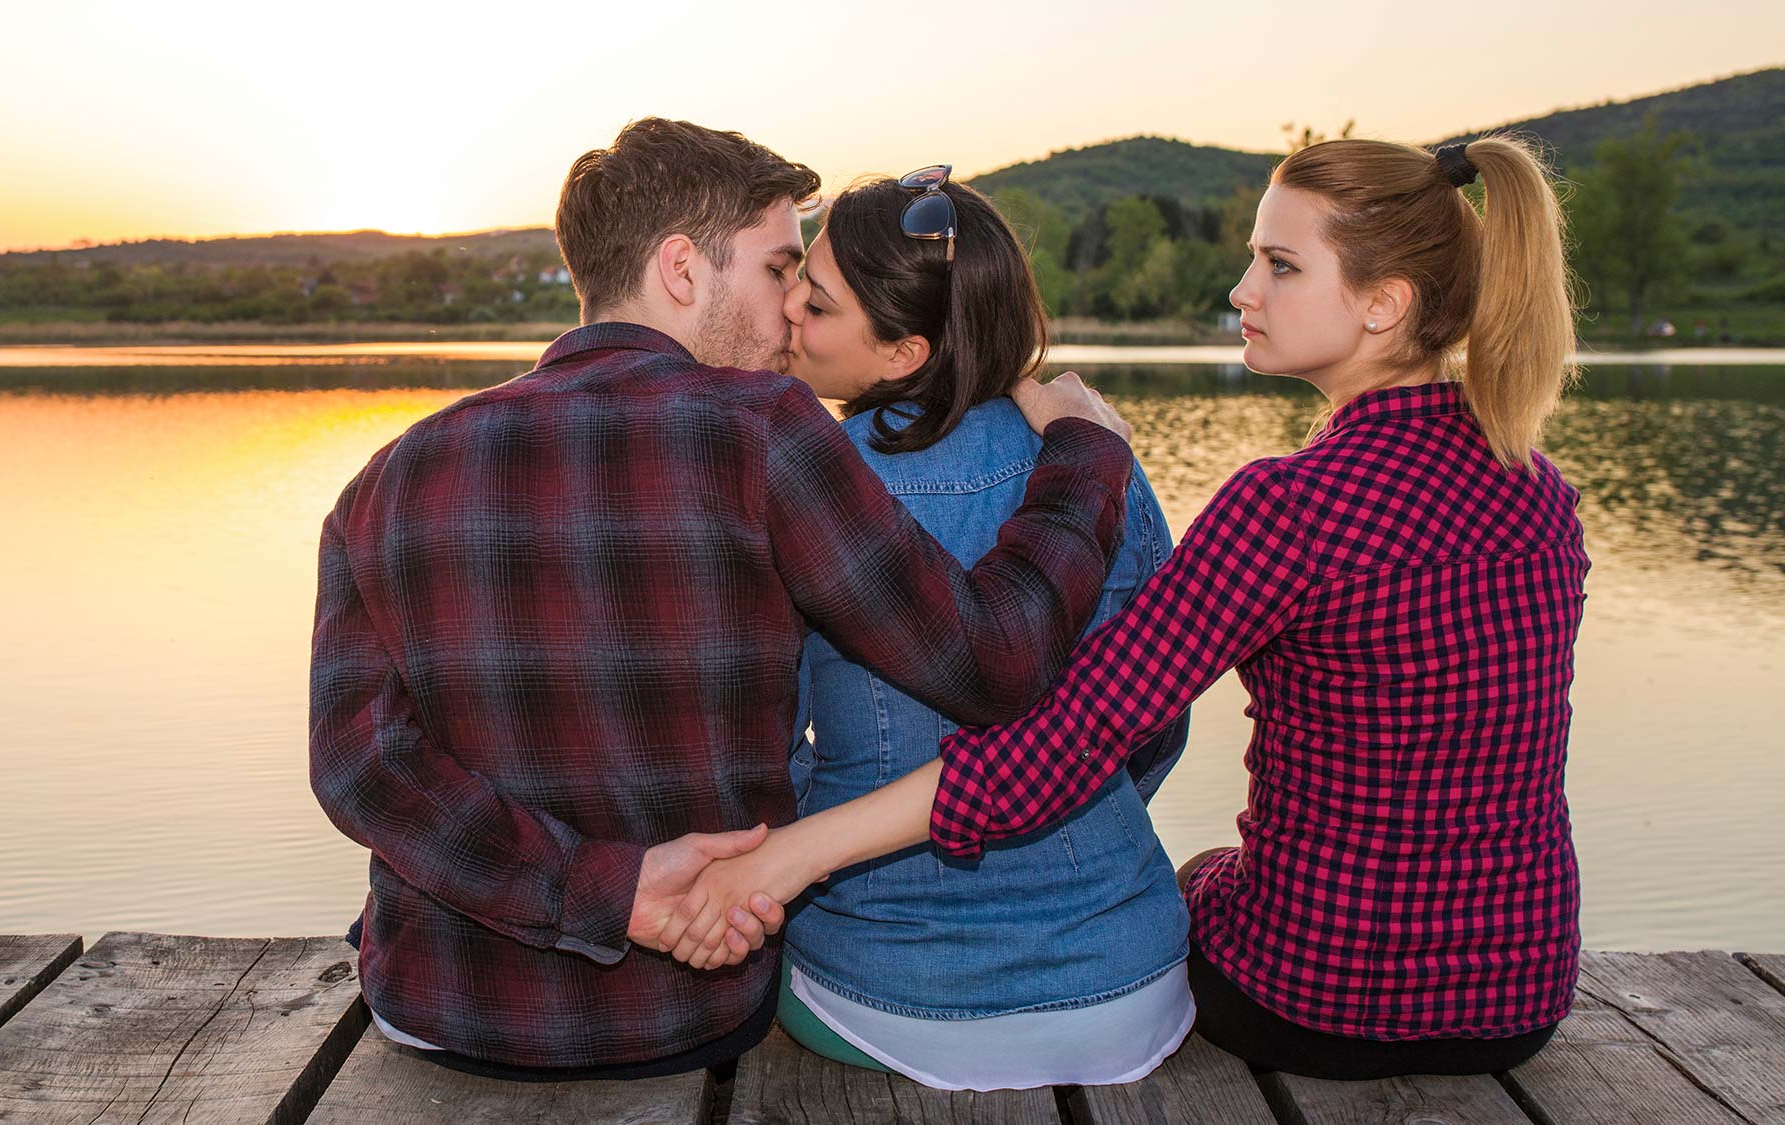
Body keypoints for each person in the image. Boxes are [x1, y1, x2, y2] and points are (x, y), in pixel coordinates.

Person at [671, 134, 1588, 1082]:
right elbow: (1150, 740)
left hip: (1318, 999)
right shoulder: (1541, 493)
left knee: (1207, 881)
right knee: (1194, 878)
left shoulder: (1290, 509)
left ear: (1383, 306)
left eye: (1279, 265)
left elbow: (1057, 746)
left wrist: (779, 861)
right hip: (1520, 999)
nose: (1243, 290)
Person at [307, 118, 1137, 1081]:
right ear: (681, 270)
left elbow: (358, 768)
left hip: (440, 1010)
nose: (793, 309)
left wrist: (604, 893)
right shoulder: (765, 433)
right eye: (779, 268)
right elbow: (993, 663)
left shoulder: (384, 479)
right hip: (693, 1010)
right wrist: (1086, 456)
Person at [768, 168, 1194, 1091]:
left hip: (888, 990)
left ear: (902, 352)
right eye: (799, 275)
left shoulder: (809, 481)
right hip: (1127, 979)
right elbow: (1156, 721)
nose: (788, 308)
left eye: (818, 301)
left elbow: (766, 747)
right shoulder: (1093, 452)